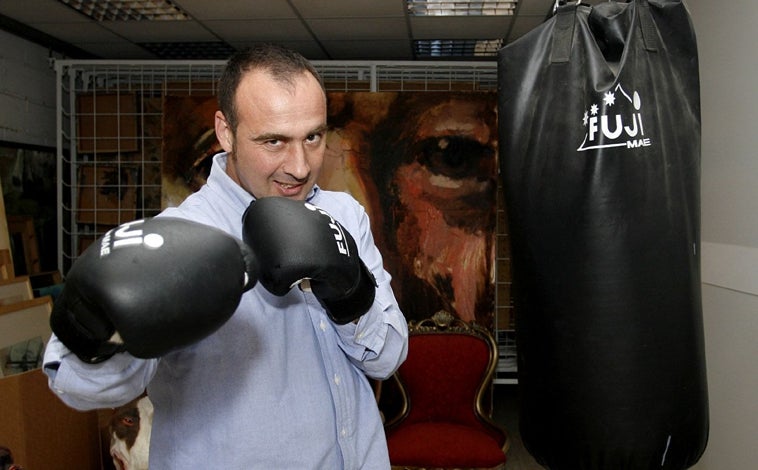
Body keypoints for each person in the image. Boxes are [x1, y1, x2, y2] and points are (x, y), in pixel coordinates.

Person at [43, 44, 408, 469]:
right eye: (273, 141)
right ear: (226, 131)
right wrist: (100, 331)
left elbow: (386, 358)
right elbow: (77, 388)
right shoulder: (178, 240)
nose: (300, 166)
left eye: (313, 136)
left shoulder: (343, 214)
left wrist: (352, 292)